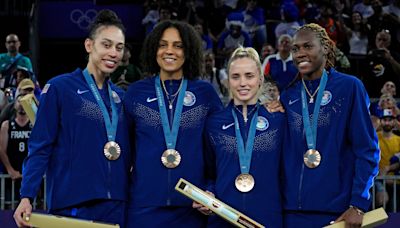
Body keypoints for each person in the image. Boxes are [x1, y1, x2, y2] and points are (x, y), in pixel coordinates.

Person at [13, 9, 131, 227]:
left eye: (119, 47)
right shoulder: (60, 88)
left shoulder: (122, 99)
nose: (114, 53)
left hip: (116, 205)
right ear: (89, 45)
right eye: (106, 45)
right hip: (73, 203)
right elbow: (40, 145)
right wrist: (27, 196)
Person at [123, 20, 223, 227]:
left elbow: (220, 150)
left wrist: (211, 188)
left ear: (189, 51)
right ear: (153, 49)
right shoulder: (136, 93)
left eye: (178, 45)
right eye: (163, 44)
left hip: (192, 208)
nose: (170, 51)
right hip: (143, 206)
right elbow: (124, 149)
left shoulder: (205, 93)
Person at [280, 23, 380, 227]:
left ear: (325, 48)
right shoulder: (288, 95)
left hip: (336, 213)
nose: (300, 53)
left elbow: (367, 149)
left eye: (308, 46)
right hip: (291, 213)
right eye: (296, 49)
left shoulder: (349, 87)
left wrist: (358, 204)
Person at [195, 46, 285, 227]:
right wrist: (208, 193)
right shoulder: (213, 122)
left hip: (266, 218)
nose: (242, 83)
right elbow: (209, 173)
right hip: (222, 219)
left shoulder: (278, 120)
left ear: (260, 80)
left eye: (249, 76)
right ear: (227, 81)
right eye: (236, 77)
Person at [0, 95, 33, 208]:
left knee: (35, 205)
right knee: (10, 206)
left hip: (30, 174)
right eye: (19, 101)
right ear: (14, 105)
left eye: (24, 102)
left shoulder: (34, 125)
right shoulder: (7, 125)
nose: (21, 105)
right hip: (11, 176)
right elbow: (1, 149)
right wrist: (10, 170)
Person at [375, 109, 400, 210]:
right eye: (384, 120)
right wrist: (381, 174)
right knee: (381, 200)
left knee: (395, 207)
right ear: (380, 122)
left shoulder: (399, 140)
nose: (387, 122)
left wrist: (388, 169)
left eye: (390, 120)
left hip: (396, 180)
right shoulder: (374, 138)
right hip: (378, 179)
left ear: (394, 122)